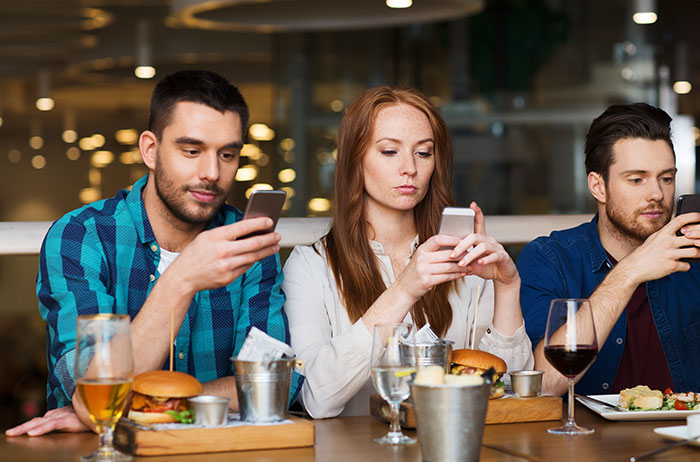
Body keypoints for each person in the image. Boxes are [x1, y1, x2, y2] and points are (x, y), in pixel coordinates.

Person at [6, 69, 300, 436]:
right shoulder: (81, 237)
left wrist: (144, 409)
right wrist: (182, 279)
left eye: (227, 154)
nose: (212, 172)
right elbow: (92, 393)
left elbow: (274, 383)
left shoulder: (247, 243)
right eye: (191, 151)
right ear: (150, 149)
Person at [282, 86, 534, 418]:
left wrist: (506, 286)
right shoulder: (310, 265)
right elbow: (317, 399)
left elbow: (512, 389)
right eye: (389, 151)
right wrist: (404, 289)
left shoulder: (463, 256)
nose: (409, 169)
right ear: (353, 160)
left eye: (423, 153)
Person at [516, 103, 700, 397]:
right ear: (598, 186)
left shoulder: (693, 257)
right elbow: (545, 385)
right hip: (585, 442)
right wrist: (629, 273)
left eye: (665, 178)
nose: (656, 194)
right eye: (636, 179)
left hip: (685, 438)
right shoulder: (549, 259)